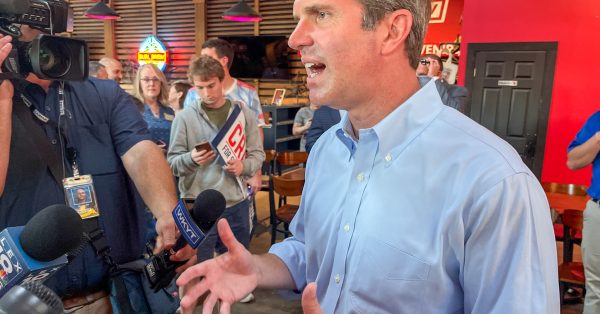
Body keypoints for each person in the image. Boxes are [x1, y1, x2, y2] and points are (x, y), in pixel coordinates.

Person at [176, 0, 559, 313]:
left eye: (321, 15)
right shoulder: (328, 149)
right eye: (296, 20)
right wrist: (258, 268)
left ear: (392, 31)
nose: (294, 39)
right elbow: (310, 250)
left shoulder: (494, 181)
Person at [0, 25, 190, 312]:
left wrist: (168, 214)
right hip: (24, 304)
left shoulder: (104, 94)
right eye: (31, 41)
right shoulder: (6, 101)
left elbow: (140, 150)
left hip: (114, 295)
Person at [167, 55, 264, 269]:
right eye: (200, 88)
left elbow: (257, 154)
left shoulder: (243, 113)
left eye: (211, 86)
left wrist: (244, 167)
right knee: (197, 265)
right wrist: (190, 159)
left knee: (237, 260)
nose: (207, 94)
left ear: (222, 81)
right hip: (198, 203)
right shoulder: (184, 118)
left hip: (235, 200)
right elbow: (173, 162)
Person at [567, 111, 600, 313]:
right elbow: (572, 162)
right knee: (596, 289)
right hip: (599, 212)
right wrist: (597, 139)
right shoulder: (597, 119)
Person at [133, 63, 175, 151]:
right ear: (139, 83)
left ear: (161, 83)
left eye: (156, 79)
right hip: (143, 161)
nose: (152, 83)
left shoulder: (169, 111)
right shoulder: (132, 109)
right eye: (146, 79)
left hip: (168, 161)